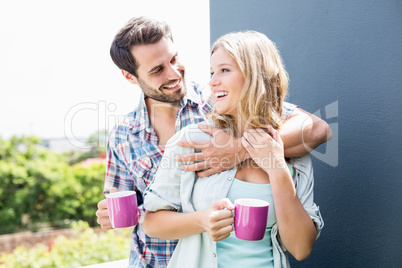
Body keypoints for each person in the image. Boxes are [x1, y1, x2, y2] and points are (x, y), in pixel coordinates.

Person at [95, 17, 331, 268]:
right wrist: (109, 214)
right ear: (130, 77)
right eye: (157, 70)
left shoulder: (219, 100)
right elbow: (132, 207)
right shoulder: (124, 135)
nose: (174, 73)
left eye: (174, 60)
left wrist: (242, 150)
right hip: (154, 260)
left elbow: (317, 128)